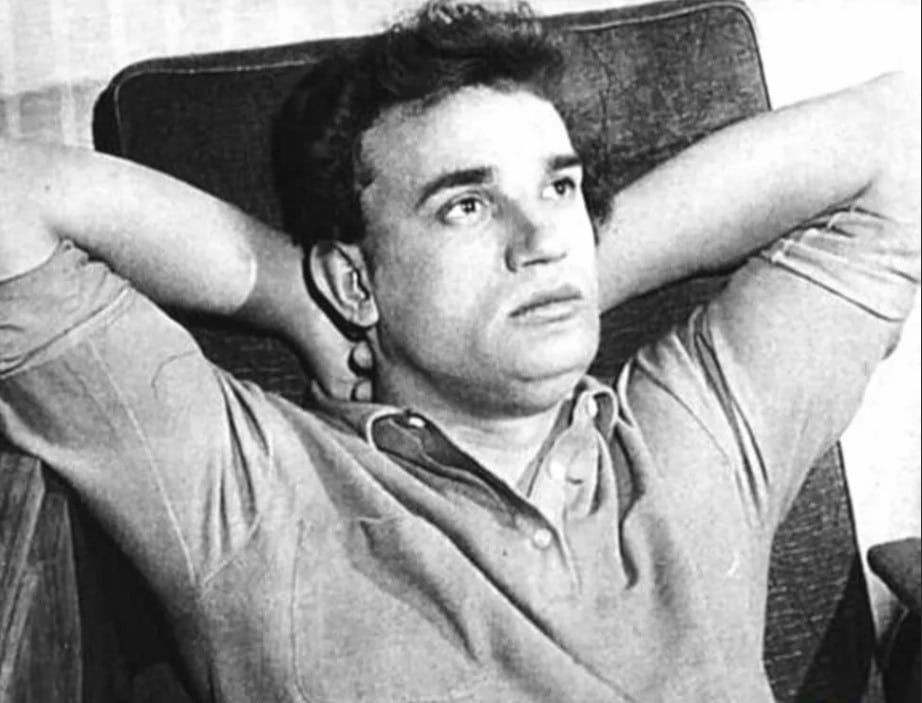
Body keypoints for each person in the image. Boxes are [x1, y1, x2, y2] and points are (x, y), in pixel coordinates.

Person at [0, 1, 918, 701]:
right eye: (467, 205)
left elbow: (903, 136)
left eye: (559, 188)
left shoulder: (697, 426)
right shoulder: (253, 491)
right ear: (355, 279)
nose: (540, 236)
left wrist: (579, 274)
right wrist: (295, 296)